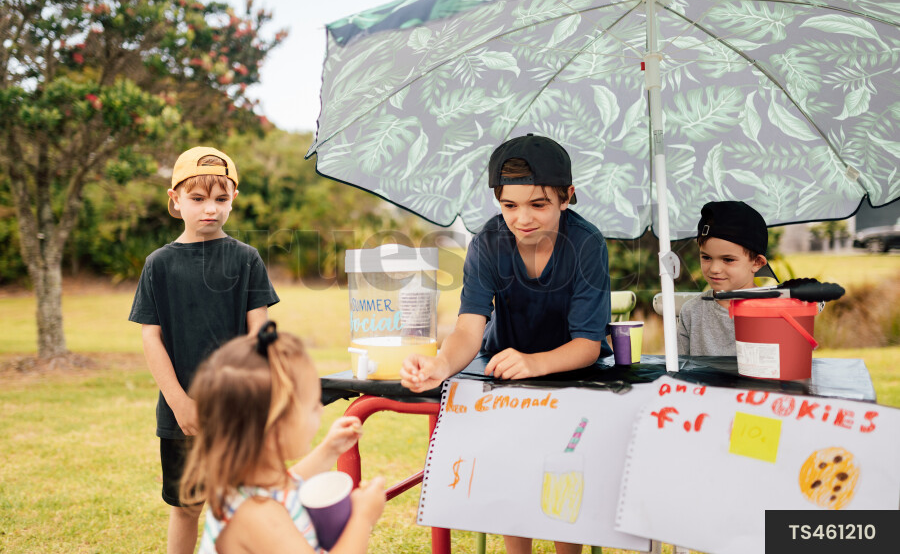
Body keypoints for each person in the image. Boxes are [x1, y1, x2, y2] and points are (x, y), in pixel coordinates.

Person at [401, 133, 612, 554]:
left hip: (573, 377)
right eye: (509, 205)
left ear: (568, 196)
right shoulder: (488, 243)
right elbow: (468, 328)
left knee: (560, 474)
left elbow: (588, 344)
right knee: (514, 473)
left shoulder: (587, 244)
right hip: (505, 376)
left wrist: (535, 363)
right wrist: (442, 365)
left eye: (538, 204)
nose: (523, 219)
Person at [128, 146, 280, 554]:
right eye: (197, 199)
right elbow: (150, 337)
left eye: (221, 198)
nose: (210, 209)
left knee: (242, 506)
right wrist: (179, 402)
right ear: (175, 200)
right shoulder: (158, 264)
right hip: (183, 416)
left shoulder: (246, 258)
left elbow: (259, 332)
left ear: (233, 199)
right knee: (185, 507)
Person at [180, 323, 386, 554]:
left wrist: (328, 450)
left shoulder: (256, 486)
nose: (320, 409)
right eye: (312, 406)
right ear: (274, 433)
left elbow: (287, 484)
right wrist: (362, 517)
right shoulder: (259, 516)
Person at [677, 200, 778, 358]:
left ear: (757, 262)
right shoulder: (691, 312)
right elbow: (679, 368)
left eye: (728, 260)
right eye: (706, 257)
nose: (714, 269)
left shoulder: (777, 313)